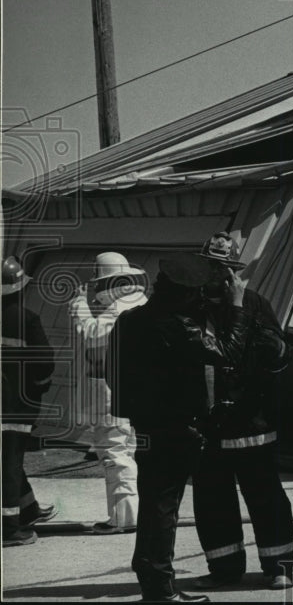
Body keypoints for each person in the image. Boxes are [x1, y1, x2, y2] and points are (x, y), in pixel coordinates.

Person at [108, 253, 248, 603]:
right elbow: (227, 352)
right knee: (163, 508)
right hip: (174, 427)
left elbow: (112, 372)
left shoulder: (130, 319)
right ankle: (159, 588)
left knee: (155, 503)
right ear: (185, 294)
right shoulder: (175, 325)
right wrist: (237, 306)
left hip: (144, 424)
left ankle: (153, 579)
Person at [189, 232, 293, 591]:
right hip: (208, 424)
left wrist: (275, 348)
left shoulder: (254, 304)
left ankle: (279, 566)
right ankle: (224, 569)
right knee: (212, 499)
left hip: (253, 420)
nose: (213, 273)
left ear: (234, 271)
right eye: (208, 265)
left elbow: (282, 360)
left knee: (266, 496)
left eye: (222, 267)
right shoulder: (191, 307)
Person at [69, 252, 148, 534]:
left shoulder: (122, 307)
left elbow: (91, 333)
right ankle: (128, 515)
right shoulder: (136, 301)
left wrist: (78, 304)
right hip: (124, 392)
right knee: (124, 454)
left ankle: (125, 518)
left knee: (116, 455)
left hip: (112, 397)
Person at [1, 256, 57, 547]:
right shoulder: (27, 319)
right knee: (9, 463)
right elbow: (45, 364)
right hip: (15, 408)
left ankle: (28, 509)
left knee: (8, 461)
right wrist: (37, 389)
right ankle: (9, 528)